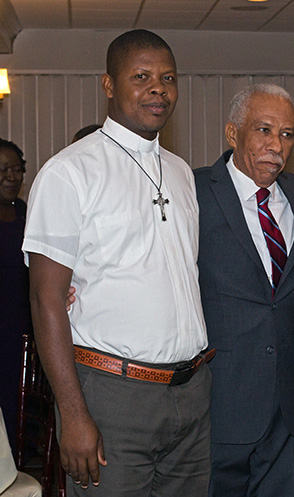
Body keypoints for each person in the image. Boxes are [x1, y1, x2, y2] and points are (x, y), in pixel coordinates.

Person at [22, 29, 212, 496]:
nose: (158, 88)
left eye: (168, 78)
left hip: (191, 394)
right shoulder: (70, 172)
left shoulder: (183, 173)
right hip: (112, 396)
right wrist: (74, 415)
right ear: (109, 85)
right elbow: (46, 300)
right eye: (141, 76)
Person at [195, 84, 294, 497]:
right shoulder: (194, 192)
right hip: (220, 404)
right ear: (232, 134)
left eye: (287, 134)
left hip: (289, 411)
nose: (276, 145)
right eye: (263, 130)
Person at [0, 139, 31, 455]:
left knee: (18, 404)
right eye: (2, 169)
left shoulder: (26, 212)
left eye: (17, 169)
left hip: (22, 330)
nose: (11, 176)